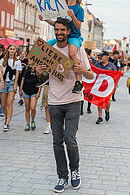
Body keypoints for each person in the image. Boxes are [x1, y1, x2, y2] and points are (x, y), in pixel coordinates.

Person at [36, 18, 94, 193]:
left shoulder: (77, 50)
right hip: (54, 101)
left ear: (68, 31)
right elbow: (42, 79)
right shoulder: (48, 50)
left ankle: (74, 170)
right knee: (56, 141)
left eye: (62, 30)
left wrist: (82, 71)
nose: (59, 33)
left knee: (70, 139)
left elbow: (90, 75)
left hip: (73, 101)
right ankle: (62, 176)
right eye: (57, 30)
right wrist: (39, 72)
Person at [39, 0, 84, 94]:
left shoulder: (79, 9)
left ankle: (78, 81)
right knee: (43, 47)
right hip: (63, 36)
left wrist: (73, 16)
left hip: (74, 36)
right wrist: (45, 19)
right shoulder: (62, 8)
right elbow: (57, 24)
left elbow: (78, 26)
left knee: (72, 53)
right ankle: (47, 74)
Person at [0, 44, 21, 132]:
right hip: (4, 82)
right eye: (11, 49)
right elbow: (0, 72)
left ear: (15, 51)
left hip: (12, 83)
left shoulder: (17, 62)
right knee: (3, 104)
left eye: (14, 49)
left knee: (10, 102)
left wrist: (15, 85)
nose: (12, 50)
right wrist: (2, 81)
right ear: (8, 50)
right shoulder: (2, 60)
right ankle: (6, 116)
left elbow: (17, 74)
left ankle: (7, 123)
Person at [20, 58, 41, 131]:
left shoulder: (37, 68)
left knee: (33, 107)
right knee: (27, 108)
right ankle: (27, 124)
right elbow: (22, 79)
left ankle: (33, 120)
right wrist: (21, 89)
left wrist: (39, 92)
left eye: (31, 59)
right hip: (26, 89)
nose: (29, 60)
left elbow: (40, 81)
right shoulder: (25, 68)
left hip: (34, 90)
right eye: (28, 59)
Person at [95, 51, 116, 124]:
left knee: (108, 101)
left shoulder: (112, 66)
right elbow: (93, 72)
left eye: (102, 56)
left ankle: (107, 110)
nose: (101, 57)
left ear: (106, 57)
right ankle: (100, 117)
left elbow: (115, 75)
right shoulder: (97, 64)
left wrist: (114, 86)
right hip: (99, 86)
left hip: (109, 86)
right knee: (99, 101)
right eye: (100, 56)